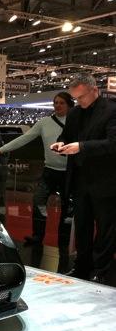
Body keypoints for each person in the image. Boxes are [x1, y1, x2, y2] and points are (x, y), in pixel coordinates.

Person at [0, 92, 74, 271]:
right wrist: (2, 149)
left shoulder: (76, 122)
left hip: (70, 173)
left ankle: (64, 241)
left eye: (61, 103)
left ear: (69, 104)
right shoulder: (44, 123)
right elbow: (24, 138)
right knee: (38, 201)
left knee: (68, 209)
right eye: (55, 103)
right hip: (50, 171)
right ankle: (38, 236)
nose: (57, 106)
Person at [51, 73, 116, 283]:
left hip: (105, 180)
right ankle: (82, 267)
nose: (78, 102)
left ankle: (101, 270)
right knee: (82, 227)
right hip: (79, 180)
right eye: (76, 98)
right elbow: (66, 136)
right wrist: (60, 144)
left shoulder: (112, 111)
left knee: (105, 228)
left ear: (94, 90)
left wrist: (82, 147)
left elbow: (113, 144)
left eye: (81, 97)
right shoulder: (75, 113)